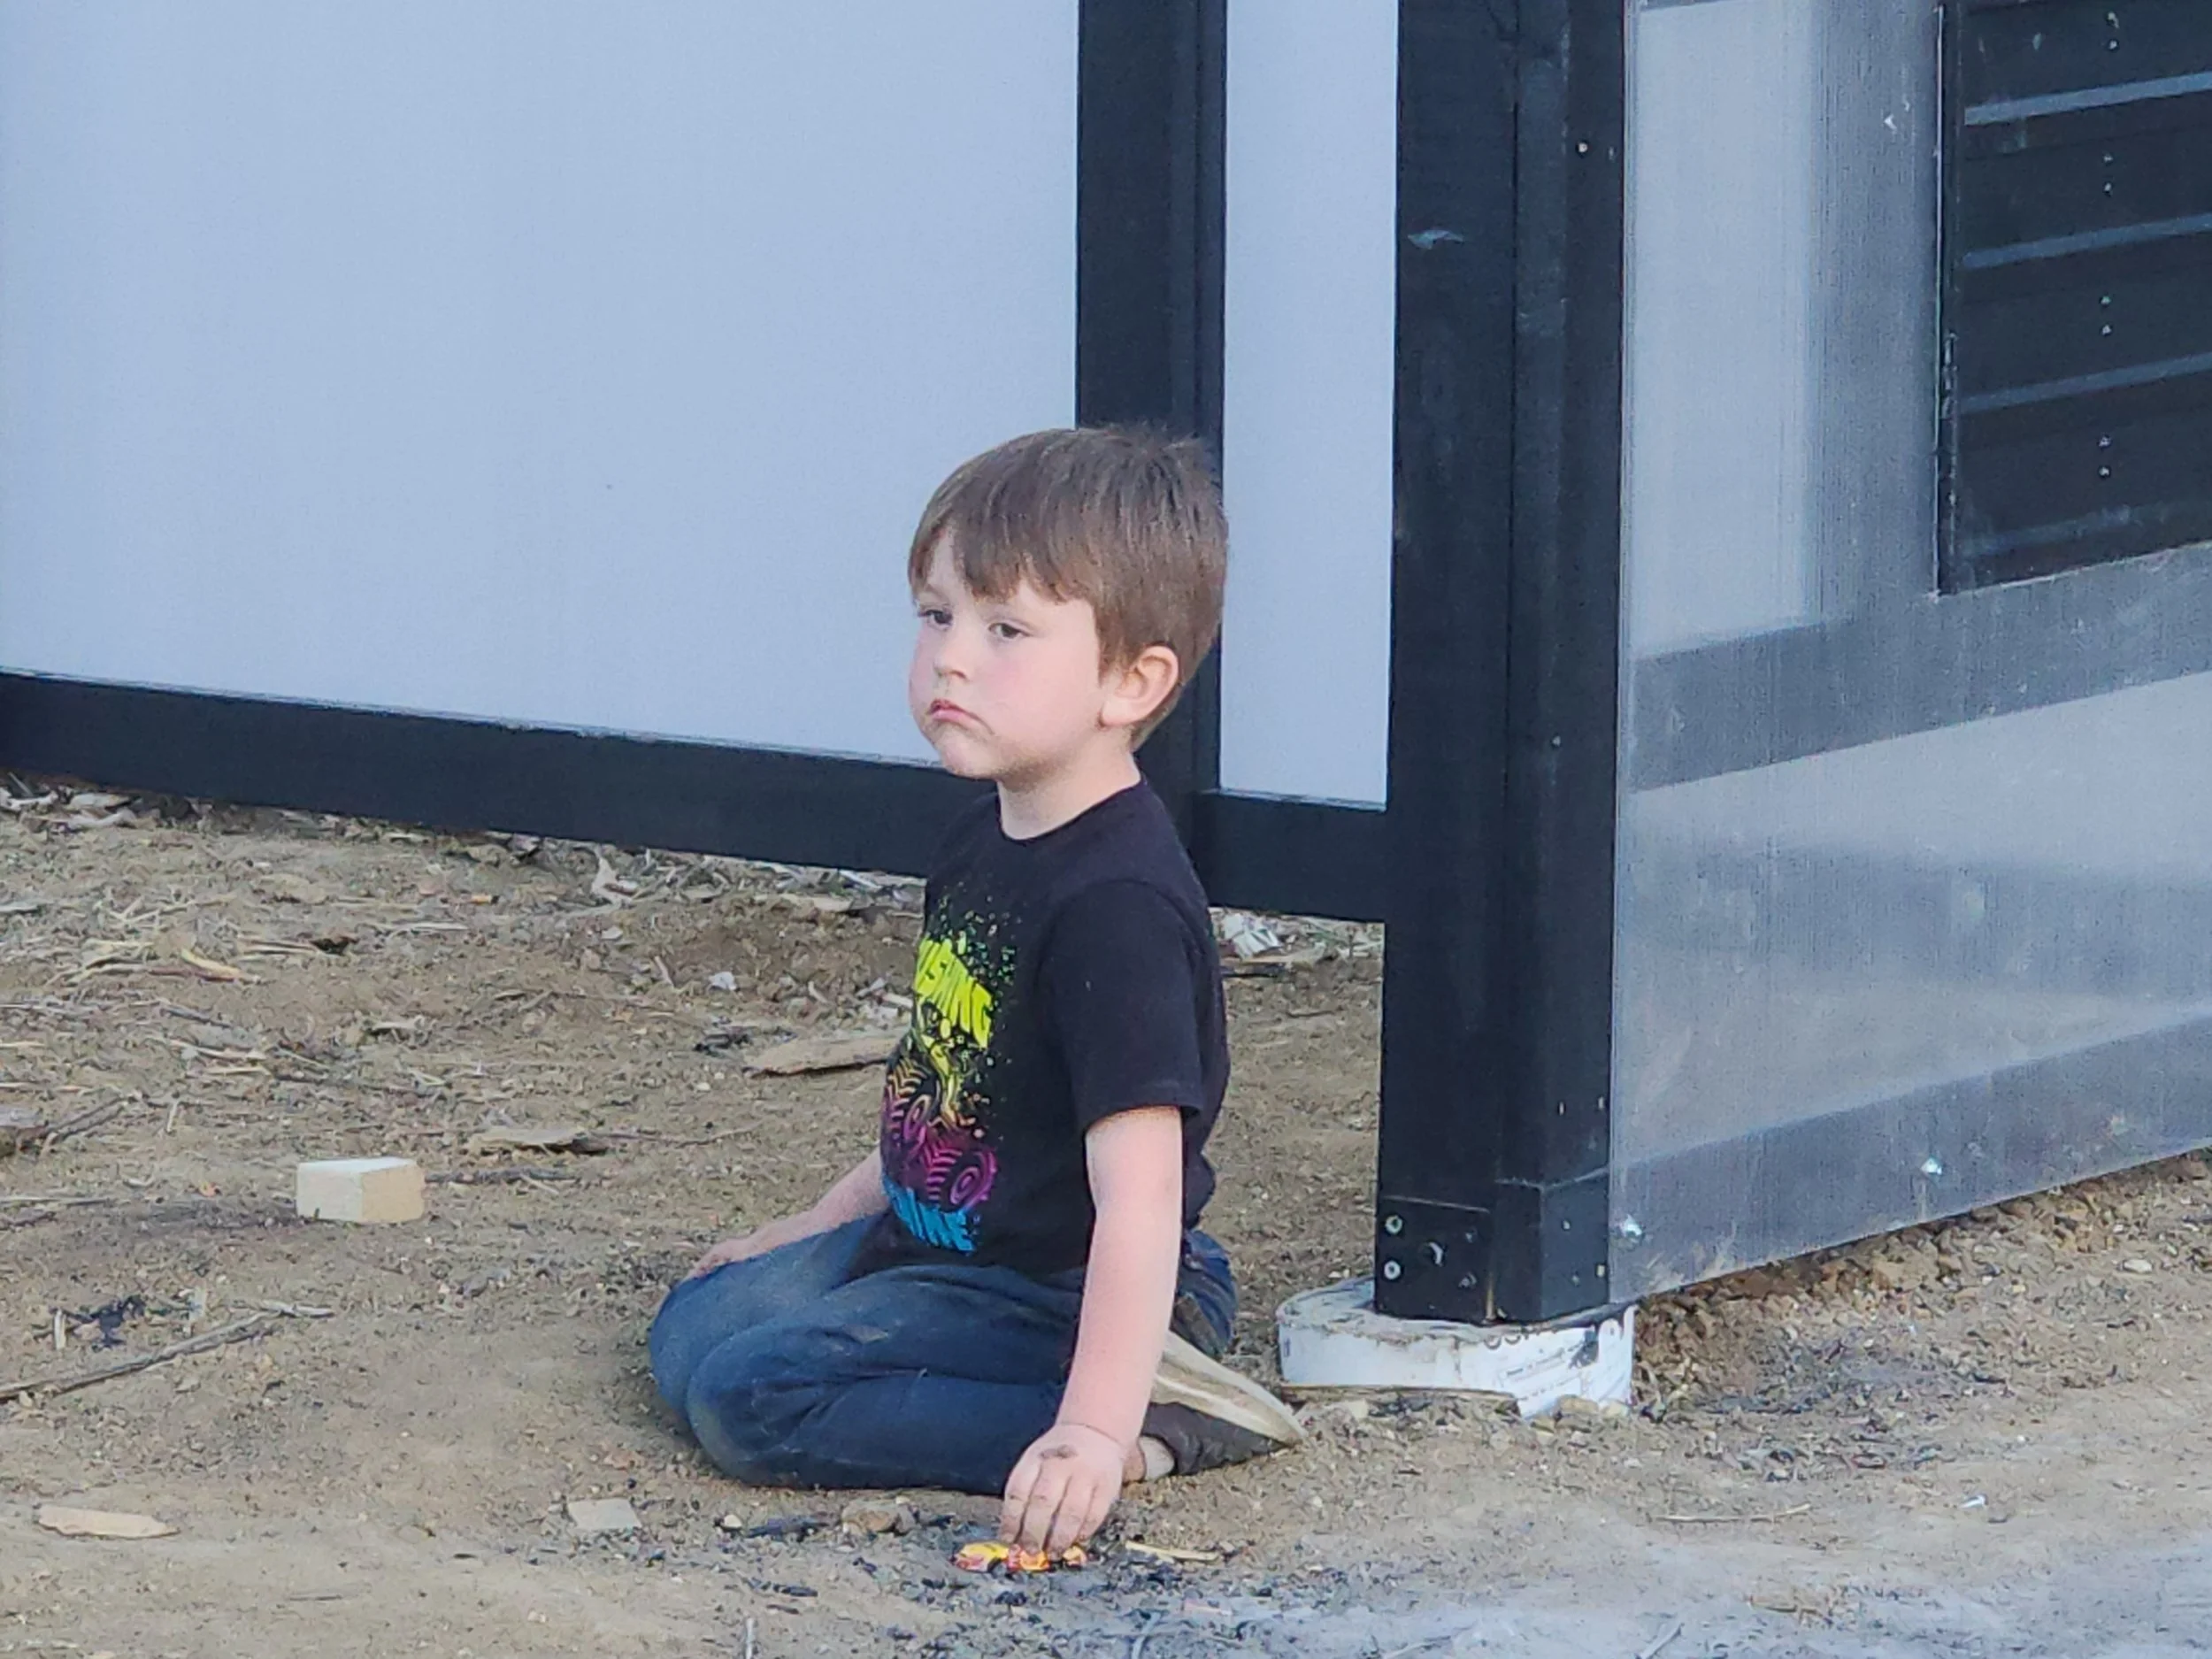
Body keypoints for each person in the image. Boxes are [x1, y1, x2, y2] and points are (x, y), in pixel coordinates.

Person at [648, 426, 1302, 1555]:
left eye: (1006, 630)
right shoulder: (985, 836)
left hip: (1068, 1281)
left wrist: (1094, 1431)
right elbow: (949, 1086)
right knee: (691, 1330)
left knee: (748, 1402)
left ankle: (1160, 1412)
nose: (953, 657)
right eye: (936, 616)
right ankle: (1066, 1389)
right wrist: (815, 1225)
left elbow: (1139, 1198)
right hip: (939, 1247)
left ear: (1130, 680)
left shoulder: (1119, 909)